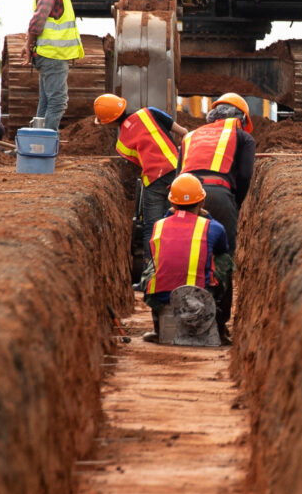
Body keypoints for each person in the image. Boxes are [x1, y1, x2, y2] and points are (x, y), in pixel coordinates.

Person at [91, 93, 187, 281]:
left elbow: (140, 164)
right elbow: (183, 132)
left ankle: (150, 275)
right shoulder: (149, 112)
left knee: (152, 226)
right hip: (178, 172)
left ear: (109, 122)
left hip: (153, 180)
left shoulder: (121, 145)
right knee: (185, 218)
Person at [146, 173, 232, 347]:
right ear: (202, 202)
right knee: (226, 261)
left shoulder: (159, 226)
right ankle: (220, 328)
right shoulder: (213, 227)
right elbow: (223, 250)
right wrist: (207, 217)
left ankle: (158, 326)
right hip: (200, 295)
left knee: (151, 266)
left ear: (172, 203)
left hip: (164, 297)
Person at [176, 92, 255, 249]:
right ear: (243, 119)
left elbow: (178, 177)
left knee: (183, 249)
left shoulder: (190, 136)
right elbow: (245, 175)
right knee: (223, 254)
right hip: (219, 197)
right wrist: (235, 203)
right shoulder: (244, 137)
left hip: (186, 199)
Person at [26, 0, 85, 129]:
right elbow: (39, 17)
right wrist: (28, 44)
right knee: (57, 102)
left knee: (46, 103)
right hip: (52, 55)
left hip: (49, 54)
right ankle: (45, 147)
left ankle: (37, 146)